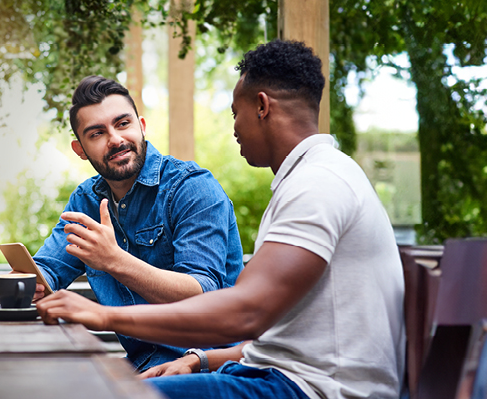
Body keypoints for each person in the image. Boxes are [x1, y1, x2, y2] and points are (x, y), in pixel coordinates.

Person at [36, 40, 406, 399]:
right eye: (97, 132)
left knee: (101, 392)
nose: (233, 129)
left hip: (308, 389)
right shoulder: (309, 179)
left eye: (234, 112)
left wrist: (105, 316)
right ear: (81, 148)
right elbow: (276, 339)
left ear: (261, 107)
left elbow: (246, 312)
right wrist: (201, 360)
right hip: (269, 374)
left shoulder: (319, 185)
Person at [30, 75, 244, 372]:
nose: (116, 139)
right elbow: (50, 269)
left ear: (141, 126)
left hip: (205, 364)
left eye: (122, 124)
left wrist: (115, 260)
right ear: (80, 150)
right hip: (141, 362)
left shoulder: (191, 188)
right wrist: (30, 282)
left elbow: (202, 292)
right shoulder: (86, 200)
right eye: (96, 133)